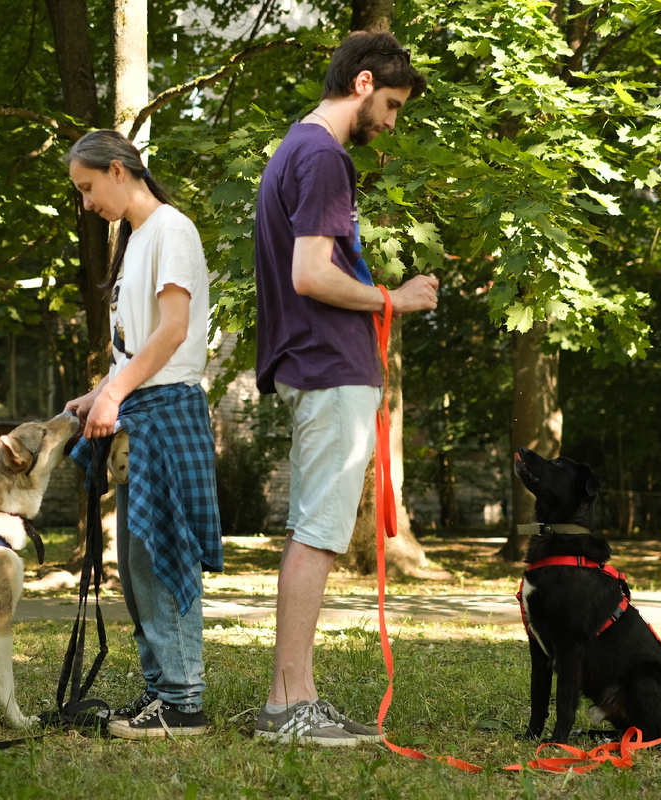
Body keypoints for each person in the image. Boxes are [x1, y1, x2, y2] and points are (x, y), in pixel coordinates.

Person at [252, 31, 437, 746]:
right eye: (391, 104)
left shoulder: (293, 149)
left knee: (315, 532)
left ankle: (292, 699)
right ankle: (290, 707)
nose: (391, 123)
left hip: (316, 366)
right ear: (362, 84)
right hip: (328, 367)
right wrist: (394, 298)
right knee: (319, 536)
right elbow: (310, 274)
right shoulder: (325, 155)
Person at [63, 130, 222, 739]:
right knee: (135, 565)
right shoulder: (134, 243)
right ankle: (160, 692)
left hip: (166, 411)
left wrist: (115, 393)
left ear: (118, 170)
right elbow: (135, 343)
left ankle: (184, 703)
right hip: (140, 409)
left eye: (87, 187)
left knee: (163, 557)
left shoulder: (172, 229)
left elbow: (174, 331)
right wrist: (98, 392)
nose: (86, 202)